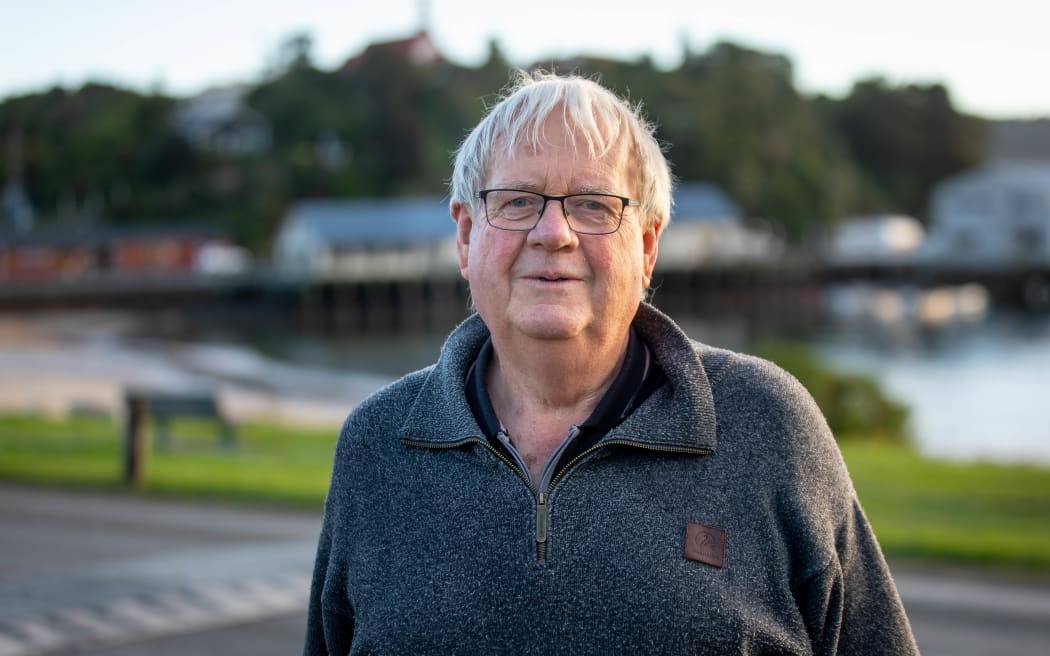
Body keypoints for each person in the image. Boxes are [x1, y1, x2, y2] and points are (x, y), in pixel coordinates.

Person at [304, 69, 918, 655]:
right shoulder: (377, 443)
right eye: (517, 201)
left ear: (647, 246)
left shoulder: (768, 423)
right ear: (465, 237)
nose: (554, 233)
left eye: (595, 206)